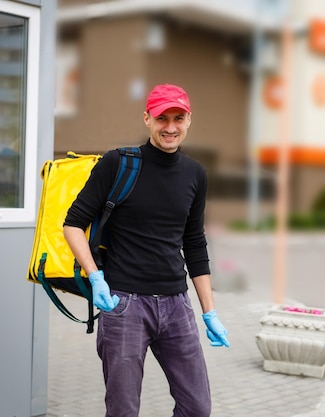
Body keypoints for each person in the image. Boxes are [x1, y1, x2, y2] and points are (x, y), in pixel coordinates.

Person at [63, 83, 229, 417]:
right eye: (162, 118)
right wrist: (95, 278)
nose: (170, 127)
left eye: (178, 118)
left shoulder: (195, 174)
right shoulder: (117, 163)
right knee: (123, 410)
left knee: (197, 407)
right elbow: (72, 223)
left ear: (188, 120)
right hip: (124, 305)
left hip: (176, 306)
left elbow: (194, 243)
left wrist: (209, 311)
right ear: (147, 119)